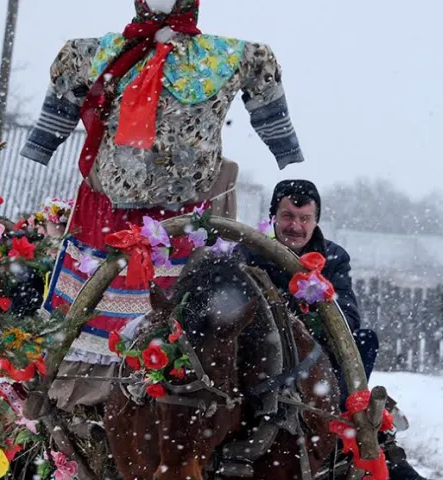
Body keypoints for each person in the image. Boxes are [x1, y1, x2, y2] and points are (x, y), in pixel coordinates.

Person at [20, 0, 304, 411]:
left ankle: (187, 404)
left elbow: (264, 80)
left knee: (188, 325)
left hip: (186, 221)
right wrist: (43, 143)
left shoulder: (229, 57)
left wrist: (284, 147)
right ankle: (89, 410)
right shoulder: (97, 52)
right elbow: (64, 87)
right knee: (93, 326)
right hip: (108, 216)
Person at [236, 179, 443, 480]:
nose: (296, 226)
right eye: (288, 216)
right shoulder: (249, 252)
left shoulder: (333, 257)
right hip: (262, 356)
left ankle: (341, 414)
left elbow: (348, 315)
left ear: (316, 221)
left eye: (305, 219)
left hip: (315, 359)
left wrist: (314, 305)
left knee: (365, 339)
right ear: (273, 216)